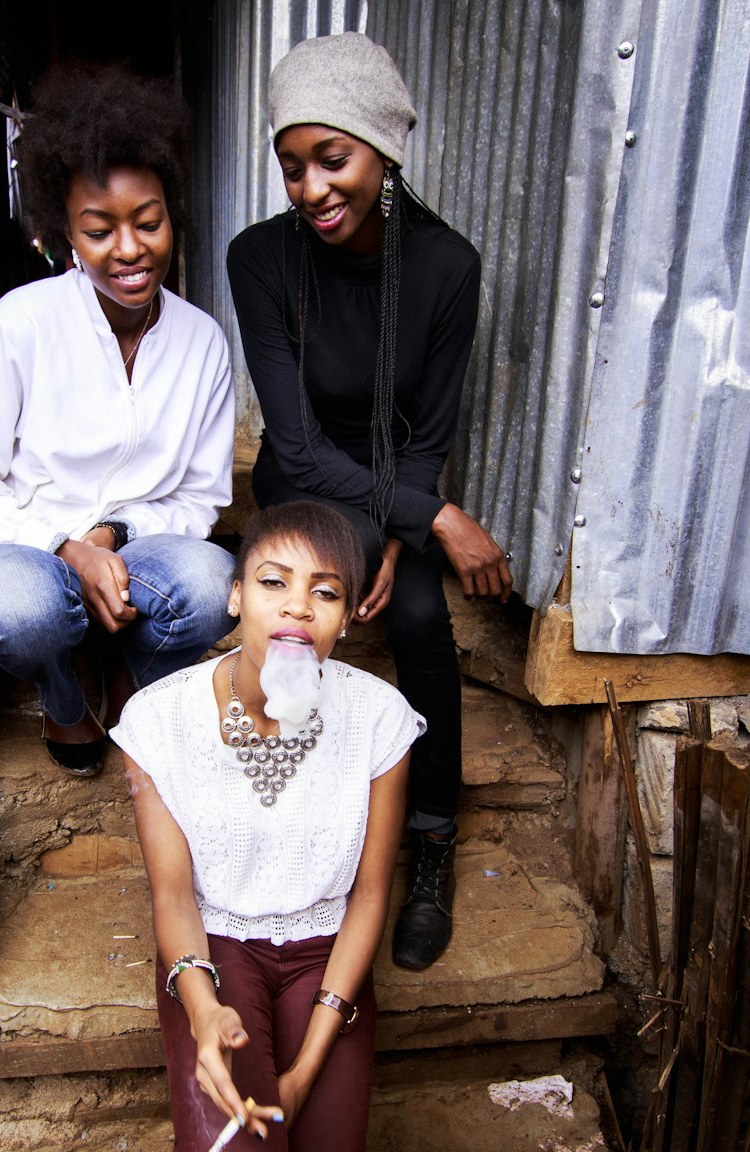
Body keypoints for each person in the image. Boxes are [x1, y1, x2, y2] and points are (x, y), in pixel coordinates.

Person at [113, 501, 423, 1152]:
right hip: (222, 953)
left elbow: (374, 891)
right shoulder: (161, 719)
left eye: (325, 592)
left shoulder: (375, 718)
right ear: (235, 597)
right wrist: (202, 1012)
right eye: (276, 583)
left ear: (348, 618)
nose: (298, 608)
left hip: (327, 957)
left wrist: (309, 1056)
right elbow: (171, 893)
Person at [227, 32, 513, 968]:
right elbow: (298, 443)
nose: (310, 188)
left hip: (396, 477)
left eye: (332, 159)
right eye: (292, 166)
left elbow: (429, 432)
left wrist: (401, 528)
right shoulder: (258, 259)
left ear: (383, 150)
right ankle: (298, 833)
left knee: (422, 614)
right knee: (317, 600)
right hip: (307, 481)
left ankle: (430, 837)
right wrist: (426, 519)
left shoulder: (447, 268)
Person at [0, 63, 236, 775]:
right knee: (18, 608)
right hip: (29, 554)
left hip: (139, 553)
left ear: (172, 215)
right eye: (99, 230)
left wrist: (112, 538)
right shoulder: (15, 328)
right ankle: (63, 693)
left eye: (148, 222)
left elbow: (201, 498)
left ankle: (132, 672)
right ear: (65, 234)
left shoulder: (201, 342)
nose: (128, 249)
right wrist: (67, 546)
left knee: (215, 584)